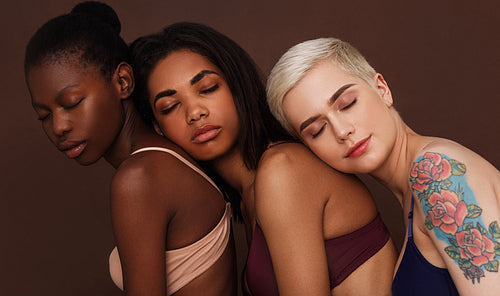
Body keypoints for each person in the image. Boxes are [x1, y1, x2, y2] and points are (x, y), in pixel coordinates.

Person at [130, 22, 397, 295]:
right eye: (170, 106)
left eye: (208, 88)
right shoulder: (247, 194)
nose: (194, 112)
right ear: (158, 129)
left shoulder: (283, 168)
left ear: (237, 86)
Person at [24, 2, 237, 295]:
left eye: (72, 103)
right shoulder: (167, 158)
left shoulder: (139, 177)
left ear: (123, 82)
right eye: (44, 115)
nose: (59, 126)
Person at [266, 37, 500, 295]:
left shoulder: (437, 172)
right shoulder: (413, 190)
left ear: (382, 89)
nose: (342, 131)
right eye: (317, 130)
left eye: (347, 104)